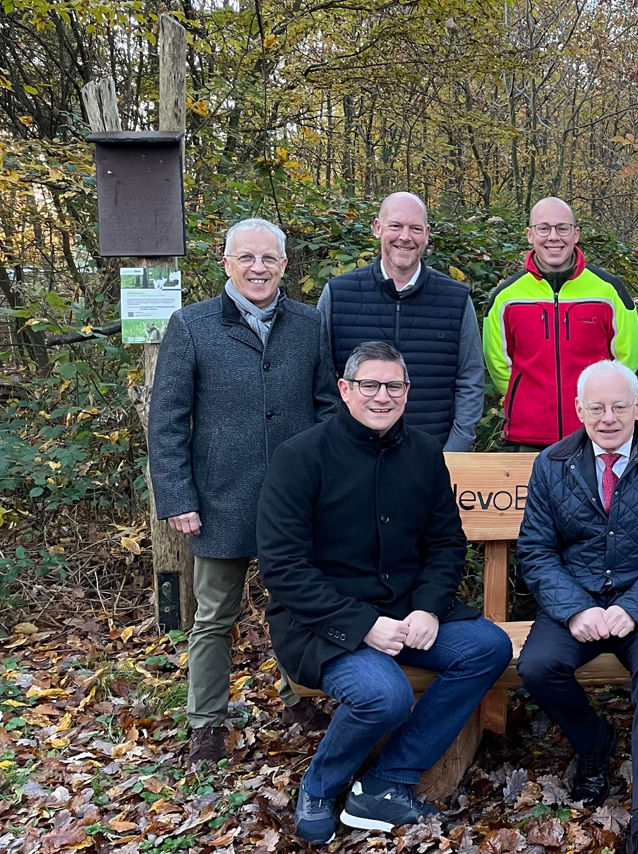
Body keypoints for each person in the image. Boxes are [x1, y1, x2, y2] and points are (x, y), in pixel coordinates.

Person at [257, 341, 513, 843]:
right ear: (345, 390)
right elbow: (284, 568)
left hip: (406, 611)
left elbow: (446, 543)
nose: (382, 396)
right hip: (323, 623)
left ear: (407, 391)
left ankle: (385, 781)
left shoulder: (423, 452)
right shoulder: (299, 457)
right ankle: (321, 785)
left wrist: (428, 608)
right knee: (384, 696)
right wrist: (362, 625)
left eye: (393, 386)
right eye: (370, 385)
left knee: (488, 647)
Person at [148, 217, 340, 766]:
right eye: (247, 258)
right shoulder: (192, 325)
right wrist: (178, 498)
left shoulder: (309, 324)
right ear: (226, 263)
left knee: (297, 605)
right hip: (218, 500)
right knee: (213, 617)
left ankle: (296, 698)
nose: (259, 268)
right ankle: (206, 723)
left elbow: (328, 406)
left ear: (284, 265)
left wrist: (327, 483)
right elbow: (167, 421)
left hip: (296, 502)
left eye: (269, 258)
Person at [516, 360, 638, 854]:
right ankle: (594, 741)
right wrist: (576, 609)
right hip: (577, 598)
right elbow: (536, 550)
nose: (608, 418)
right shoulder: (552, 463)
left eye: (619, 406)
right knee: (537, 666)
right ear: (579, 409)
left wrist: (635, 607)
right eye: (597, 407)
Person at [318, 191, 484, 450]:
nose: (405, 237)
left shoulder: (456, 299)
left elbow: (470, 379)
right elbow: (321, 379)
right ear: (377, 228)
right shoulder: (338, 293)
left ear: (426, 234)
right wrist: (334, 443)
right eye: (395, 226)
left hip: (433, 452)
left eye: (415, 228)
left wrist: (455, 448)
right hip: (351, 453)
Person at [484, 197, 638, 448]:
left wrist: (603, 408)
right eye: (544, 228)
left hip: (596, 436)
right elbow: (500, 365)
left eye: (562, 228)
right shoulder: (506, 297)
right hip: (528, 436)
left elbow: (627, 360)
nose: (553, 237)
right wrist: (524, 399)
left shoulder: (609, 291)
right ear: (530, 235)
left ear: (576, 234)